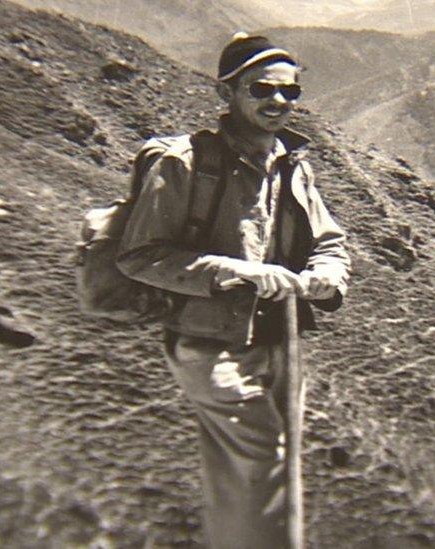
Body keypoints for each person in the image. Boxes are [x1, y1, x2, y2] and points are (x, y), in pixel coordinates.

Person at [116, 32, 350, 548]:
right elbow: (139, 255)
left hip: (281, 342)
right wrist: (231, 271)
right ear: (228, 94)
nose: (279, 102)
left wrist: (328, 277)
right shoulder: (183, 163)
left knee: (256, 475)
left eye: (290, 92)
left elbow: (329, 241)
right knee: (265, 463)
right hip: (211, 344)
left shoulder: (292, 165)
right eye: (263, 89)